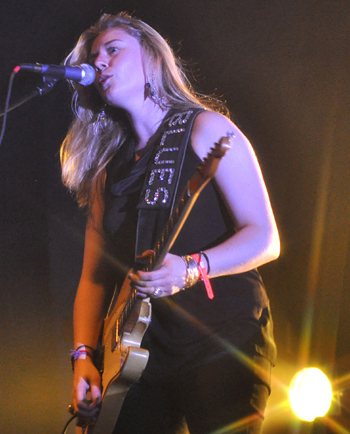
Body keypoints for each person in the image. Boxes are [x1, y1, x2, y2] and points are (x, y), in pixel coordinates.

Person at [61, 11, 280, 434]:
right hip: (139, 354)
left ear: (153, 59)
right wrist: (84, 356)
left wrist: (191, 268)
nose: (100, 62)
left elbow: (266, 237)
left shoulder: (206, 129)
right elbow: (93, 280)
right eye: (94, 55)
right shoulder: (107, 174)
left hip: (222, 338)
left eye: (112, 50)